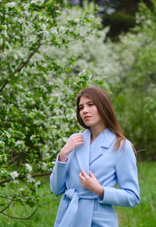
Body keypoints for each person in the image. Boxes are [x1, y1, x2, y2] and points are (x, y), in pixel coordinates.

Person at [50, 87, 140, 227]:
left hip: (99, 221)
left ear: (104, 107)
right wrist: (62, 156)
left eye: (90, 104)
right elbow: (56, 189)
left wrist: (100, 190)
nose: (84, 110)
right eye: (81, 107)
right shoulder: (75, 140)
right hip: (69, 217)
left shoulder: (121, 146)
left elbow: (132, 197)